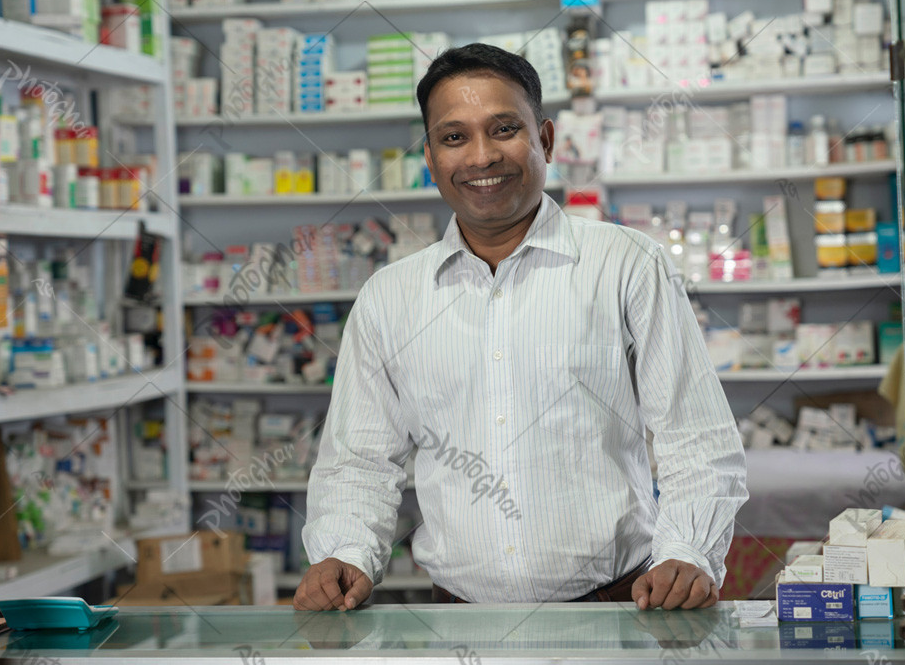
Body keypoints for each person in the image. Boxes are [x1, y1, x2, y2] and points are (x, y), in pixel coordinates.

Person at [295, 43, 748, 612]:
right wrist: (345, 551)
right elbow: (358, 459)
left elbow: (697, 436)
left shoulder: (627, 264)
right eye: (453, 137)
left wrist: (689, 550)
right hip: (459, 622)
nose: (481, 157)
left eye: (504, 129)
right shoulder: (390, 298)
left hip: (618, 611)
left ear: (546, 141)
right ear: (430, 159)